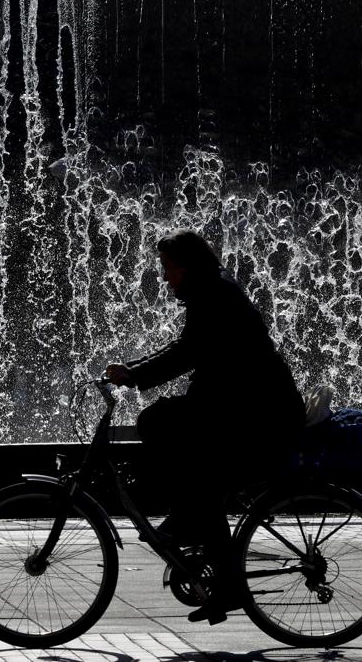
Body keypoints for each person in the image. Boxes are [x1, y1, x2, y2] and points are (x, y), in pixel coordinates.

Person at [104, 228, 305, 625]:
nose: (164, 277)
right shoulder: (211, 292)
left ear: (188, 266)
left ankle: (196, 535)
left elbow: (187, 353)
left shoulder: (215, 296)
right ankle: (193, 527)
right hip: (247, 415)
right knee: (195, 471)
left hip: (265, 422)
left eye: (168, 268)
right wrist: (133, 369)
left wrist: (135, 374)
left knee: (167, 434)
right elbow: (188, 348)